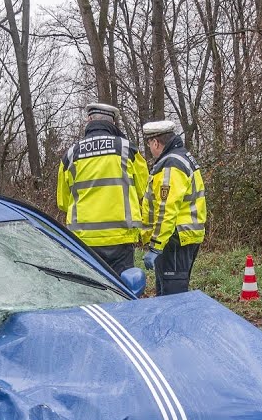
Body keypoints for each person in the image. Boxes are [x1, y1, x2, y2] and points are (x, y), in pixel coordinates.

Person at [56, 103, 149, 275]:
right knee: (123, 289)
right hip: (121, 236)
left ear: (89, 120)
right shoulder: (127, 149)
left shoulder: (71, 154)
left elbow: (62, 201)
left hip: (84, 239)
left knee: (92, 290)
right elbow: (143, 189)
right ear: (113, 123)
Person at [141, 120, 207, 296]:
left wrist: (155, 245)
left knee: (173, 297)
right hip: (183, 236)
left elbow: (166, 209)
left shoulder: (170, 164)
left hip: (174, 239)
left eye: (149, 144)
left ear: (155, 142)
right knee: (168, 293)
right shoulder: (182, 157)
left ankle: (176, 324)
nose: (150, 149)